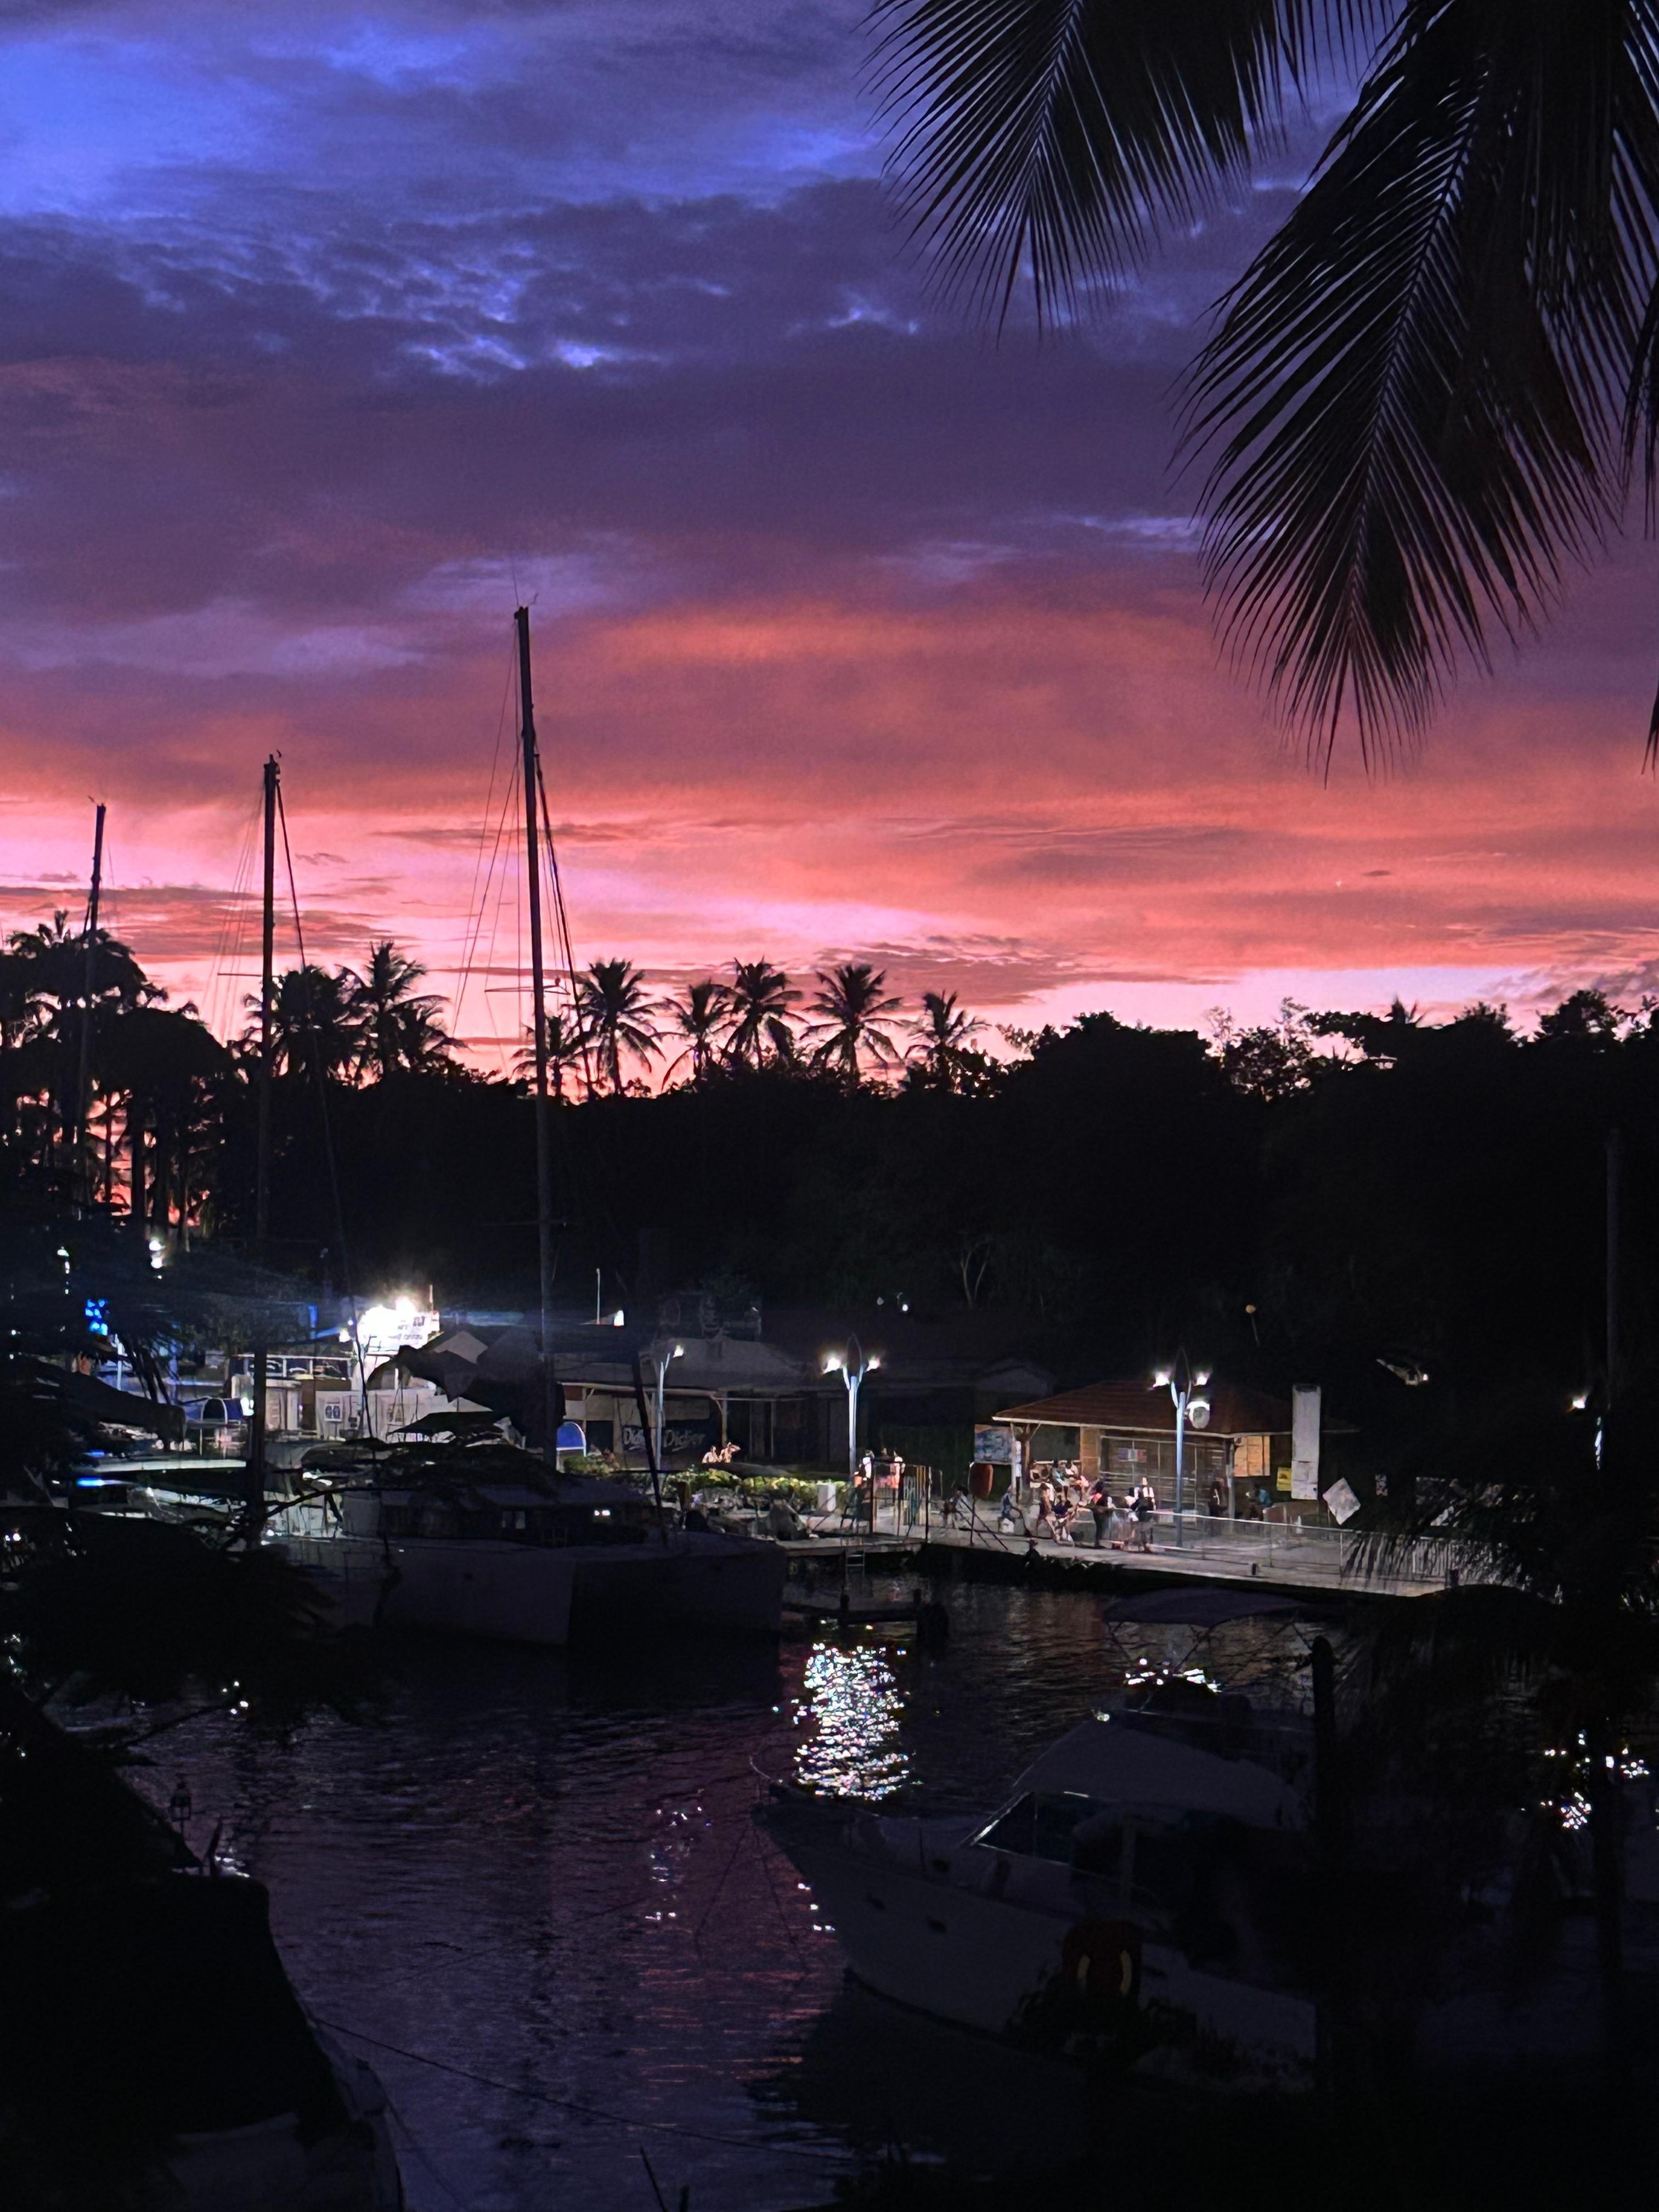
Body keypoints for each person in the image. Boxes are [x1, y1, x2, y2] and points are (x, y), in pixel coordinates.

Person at [1088, 1480, 1114, 1549]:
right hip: (1101, 1514)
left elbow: (1092, 1505)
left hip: (1096, 1514)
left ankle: (1098, 1542)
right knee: (1101, 1528)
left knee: (1099, 1528)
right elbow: (1106, 1505)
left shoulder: (1095, 1496)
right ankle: (1098, 1542)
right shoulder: (1102, 1496)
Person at [1131, 1480, 1155, 1551]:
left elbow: (1133, 1507)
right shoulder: (1148, 1501)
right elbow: (1152, 1508)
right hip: (1147, 1519)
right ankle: (1145, 1546)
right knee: (1144, 1533)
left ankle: (1142, 1546)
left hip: (1141, 1518)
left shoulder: (1139, 1501)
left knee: (1142, 1533)